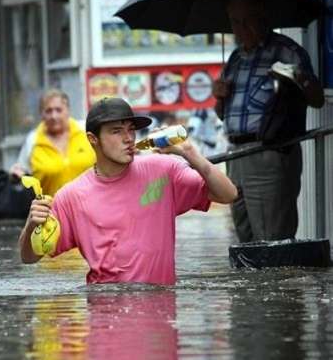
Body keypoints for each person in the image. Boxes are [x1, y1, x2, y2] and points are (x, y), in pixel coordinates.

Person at [19, 97, 237, 285]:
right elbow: (30, 257)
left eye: (131, 130)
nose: (128, 138)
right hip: (105, 313)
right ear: (93, 139)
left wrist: (191, 154)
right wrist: (31, 226)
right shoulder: (72, 196)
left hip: (160, 316)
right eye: (116, 131)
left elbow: (228, 195)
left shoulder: (163, 170)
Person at [212, 0, 324, 243]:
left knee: (272, 239)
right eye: (235, 21)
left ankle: (282, 284)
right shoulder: (235, 59)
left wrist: (298, 78)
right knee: (245, 238)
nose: (241, 28)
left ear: (263, 17)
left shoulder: (286, 51)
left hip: (269, 153)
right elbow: (223, 114)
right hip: (235, 155)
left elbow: (316, 99)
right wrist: (219, 96)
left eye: (248, 19)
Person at [10, 89, 96, 196]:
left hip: (90, 206)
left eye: (58, 110)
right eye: (48, 111)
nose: (54, 116)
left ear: (68, 110)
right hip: (51, 210)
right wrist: (16, 175)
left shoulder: (84, 130)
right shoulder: (33, 139)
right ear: (42, 114)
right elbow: (22, 171)